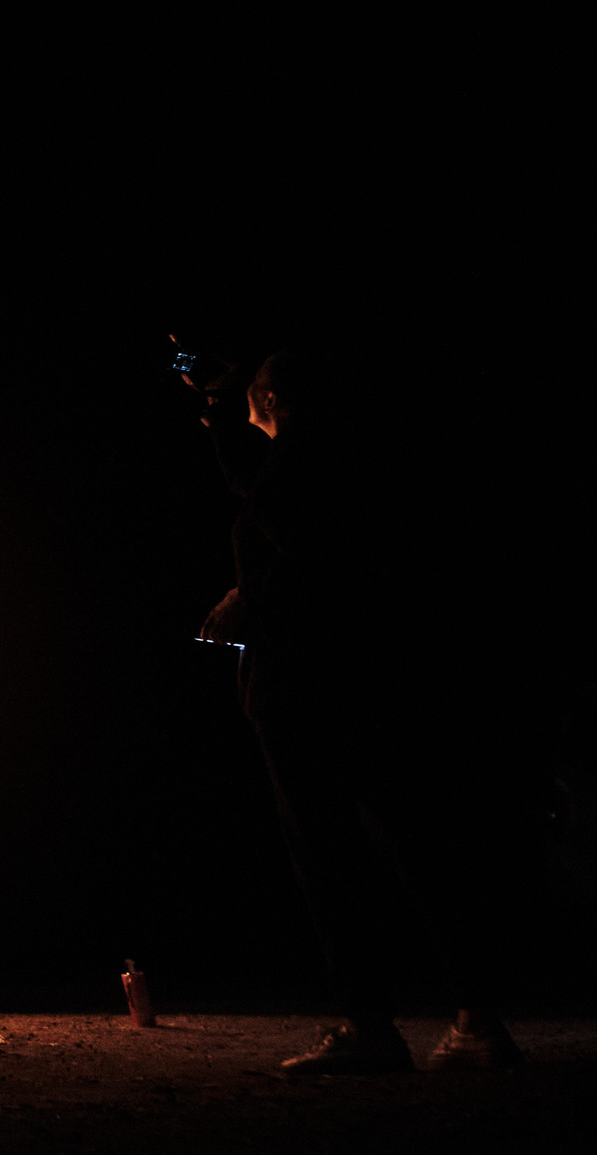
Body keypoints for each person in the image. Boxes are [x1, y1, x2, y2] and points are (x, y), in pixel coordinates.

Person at [191, 347, 523, 1075]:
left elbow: (292, 530)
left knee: (333, 852)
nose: (244, 408)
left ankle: (373, 1024)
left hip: (311, 684)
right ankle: (475, 1015)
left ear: (272, 400)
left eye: (251, 397)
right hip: (368, 679)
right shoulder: (350, 461)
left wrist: (254, 599)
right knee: (413, 838)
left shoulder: (304, 464)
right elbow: (278, 513)